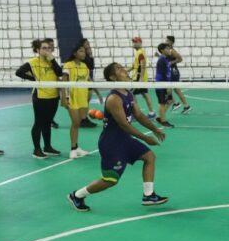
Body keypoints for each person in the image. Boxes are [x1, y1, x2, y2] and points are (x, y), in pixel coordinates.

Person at [67, 62, 168, 211]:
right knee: (111, 180)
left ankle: (149, 195)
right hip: (112, 143)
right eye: (119, 69)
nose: (125, 70)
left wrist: (155, 129)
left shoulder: (129, 93)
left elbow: (139, 115)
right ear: (112, 76)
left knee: (149, 157)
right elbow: (124, 125)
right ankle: (77, 195)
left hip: (125, 139)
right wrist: (146, 138)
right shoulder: (114, 98)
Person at [15, 39, 65, 159]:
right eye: (44, 48)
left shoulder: (51, 62)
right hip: (40, 96)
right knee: (39, 123)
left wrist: (52, 59)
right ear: (37, 50)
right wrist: (34, 79)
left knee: (47, 123)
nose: (47, 50)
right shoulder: (33, 62)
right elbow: (19, 72)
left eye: (48, 48)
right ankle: (36, 150)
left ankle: (47, 147)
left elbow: (59, 73)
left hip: (53, 95)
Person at [62, 44, 93, 159]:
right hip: (72, 98)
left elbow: (88, 82)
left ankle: (76, 147)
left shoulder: (85, 66)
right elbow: (63, 83)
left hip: (82, 98)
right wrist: (64, 98)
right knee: (75, 123)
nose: (83, 54)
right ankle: (72, 148)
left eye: (84, 52)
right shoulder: (68, 65)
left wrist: (92, 95)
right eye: (81, 51)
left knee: (78, 123)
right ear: (75, 53)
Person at [130, 36, 156, 118]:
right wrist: (126, 70)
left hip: (139, 77)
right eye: (133, 42)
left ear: (140, 43)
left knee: (132, 95)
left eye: (136, 42)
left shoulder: (140, 52)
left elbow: (143, 65)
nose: (134, 43)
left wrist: (140, 78)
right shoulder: (138, 52)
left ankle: (136, 113)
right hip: (138, 76)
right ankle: (151, 113)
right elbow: (135, 65)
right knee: (144, 94)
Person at [78, 38, 100, 128]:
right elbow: (88, 67)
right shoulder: (81, 57)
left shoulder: (87, 56)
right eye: (86, 43)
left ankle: (84, 118)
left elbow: (91, 67)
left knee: (87, 101)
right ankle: (82, 119)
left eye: (88, 43)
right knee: (83, 102)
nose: (88, 44)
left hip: (88, 78)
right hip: (83, 80)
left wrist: (91, 55)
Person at [166, 35, 191, 114]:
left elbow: (180, 59)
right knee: (176, 90)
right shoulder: (168, 50)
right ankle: (185, 106)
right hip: (171, 71)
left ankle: (176, 104)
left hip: (173, 72)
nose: (165, 42)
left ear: (171, 42)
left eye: (167, 40)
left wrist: (171, 63)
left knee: (168, 89)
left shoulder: (172, 51)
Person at [154, 42, 176, 129]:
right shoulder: (162, 60)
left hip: (165, 83)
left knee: (169, 101)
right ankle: (163, 121)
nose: (169, 50)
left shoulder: (165, 58)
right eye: (167, 49)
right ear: (162, 50)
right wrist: (168, 86)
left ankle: (160, 117)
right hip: (161, 84)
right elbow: (163, 75)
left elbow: (177, 57)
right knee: (162, 103)